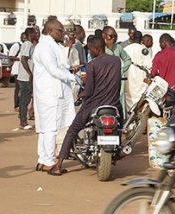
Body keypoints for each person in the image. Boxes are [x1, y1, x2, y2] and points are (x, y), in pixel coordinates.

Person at [49, 36, 122, 176]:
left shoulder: (93, 65)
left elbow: (89, 90)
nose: (90, 53)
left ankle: (58, 165)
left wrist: (81, 95)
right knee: (120, 127)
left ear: (96, 49)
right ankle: (117, 151)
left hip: (94, 106)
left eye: (90, 50)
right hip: (114, 105)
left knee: (72, 130)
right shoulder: (116, 61)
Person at [32, 19, 77, 172]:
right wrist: (73, 77)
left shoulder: (53, 46)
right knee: (50, 128)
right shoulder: (44, 47)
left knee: (46, 128)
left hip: (52, 93)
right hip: (50, 94)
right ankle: (49, 162)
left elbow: (61, 66)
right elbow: (53, 69)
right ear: (50, 31)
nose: (63, 33)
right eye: (60, 30)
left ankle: (43, 160)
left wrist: (71, 71)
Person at [102, 26, 131, 115]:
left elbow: (128, 60)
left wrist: (121, 70)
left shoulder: (118, 47)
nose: (113, 38)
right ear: (104, 36)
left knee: (120, 102)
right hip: (104, 81)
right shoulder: (100, 47)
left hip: (117, 80)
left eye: (115, 36)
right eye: (111, 36)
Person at [16, 28, 38, 130]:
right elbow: (23, 59)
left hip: (25, 76)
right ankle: (23, 122)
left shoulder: (30, 44)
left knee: (26, 98)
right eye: (35, 33)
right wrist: (29, 73)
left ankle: (22, 118)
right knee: (25, 99)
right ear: (30, 34)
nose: (36, 34)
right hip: (25, 77)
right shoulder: (28, 44)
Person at [124, 31, 151, 109]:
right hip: (141, 77)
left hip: (128, 75)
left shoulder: (126, 49)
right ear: (141, 39)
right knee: (140, 96)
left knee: (129, 95)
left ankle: (129, 116)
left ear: (132, 38)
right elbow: (148, 66)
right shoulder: (144, 50)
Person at [9, 32, 26, 111]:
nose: (24, 39)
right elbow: (10, 57)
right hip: (17, 70)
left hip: (24, 70)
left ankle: (22, 104)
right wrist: (20, 59)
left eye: (25, 37)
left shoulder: (28, 46)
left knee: (24, 89)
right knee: (18, 88)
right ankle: (17, 105)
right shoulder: (17, 45)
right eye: (23, 37)